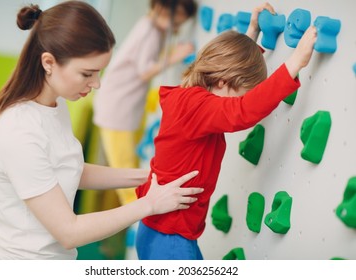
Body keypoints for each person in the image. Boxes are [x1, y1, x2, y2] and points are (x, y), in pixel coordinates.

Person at [0, 1, 203, 260]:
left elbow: (68, 168)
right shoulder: (19, 130)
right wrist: (149, 204)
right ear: (49, 62)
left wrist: (149, 176)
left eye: (99, 72)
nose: (98, 83)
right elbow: (69, 232)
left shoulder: (55, 105)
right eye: (87, 73)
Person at [135, 2, 318, 260]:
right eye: (242, 92)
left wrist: (252, 34)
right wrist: (294, 64)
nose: (240, 100)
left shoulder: (189, 99)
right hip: (171, 236)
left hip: (162, 229)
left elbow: (233, 77)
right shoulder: (196, 106)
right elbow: (242, 111)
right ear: (223, 81)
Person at [93, 0, 198, 206]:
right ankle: (137, 212)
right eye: (177, 22)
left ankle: (138, 210)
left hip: (120, 107)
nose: (176, 28)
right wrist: (176, 55)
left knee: (126, 167)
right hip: (116, 110)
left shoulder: (150, 27)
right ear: (166, 10)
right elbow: (145, 71)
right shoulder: (149, 31)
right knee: (123, 171)